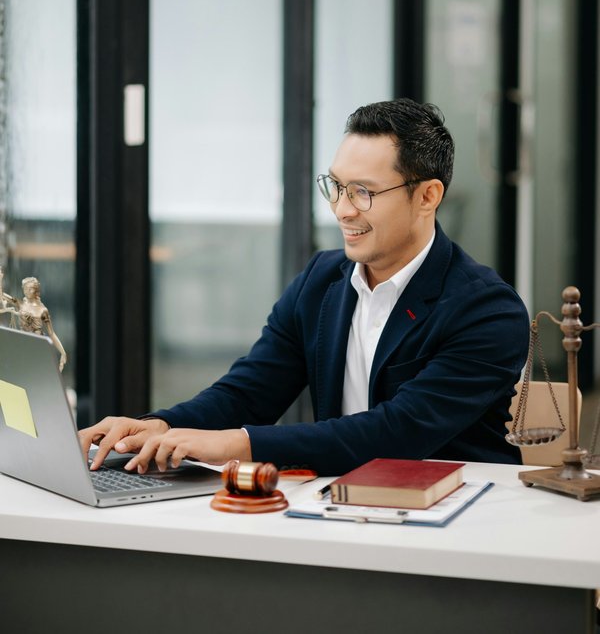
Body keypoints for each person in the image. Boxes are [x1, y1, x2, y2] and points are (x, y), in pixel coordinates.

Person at [80, 99, 529, 476]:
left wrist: (234, 445)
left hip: (460, 514)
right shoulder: (322, 280)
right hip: (339, 501)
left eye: (362, 192)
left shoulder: (488, 310)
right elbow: (249, 392)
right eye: (335, 186)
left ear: (427, 196)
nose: (341, 209)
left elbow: (397, 432)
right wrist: (161, 425)